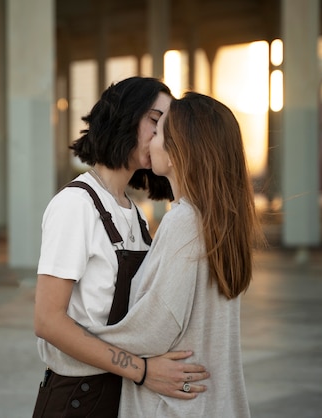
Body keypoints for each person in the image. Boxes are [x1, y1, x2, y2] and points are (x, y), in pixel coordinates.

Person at [32, 77, 209, 418]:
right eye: (156, 122)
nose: (163, 136)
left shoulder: (135, 214)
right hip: (78, 401)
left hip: (124, 396)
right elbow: (47, 322)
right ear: (126, 117)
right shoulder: (75, 205)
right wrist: (142, 370)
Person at [86, 92, 264, 417]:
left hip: (175, 407)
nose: (150, 138)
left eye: (158, 131)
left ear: (180, 148)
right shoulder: (219, 221)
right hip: (216, 402)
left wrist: (74, 340)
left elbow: (152, 331)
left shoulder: (183, 221)